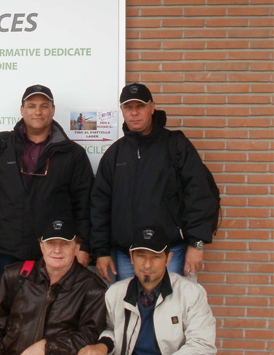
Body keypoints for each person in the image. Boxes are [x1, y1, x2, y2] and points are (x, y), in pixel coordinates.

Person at [0, 84, 94, 277]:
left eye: (44, 106)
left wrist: (84, 245)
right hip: (9, 247)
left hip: (56, 248)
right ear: (22, 110)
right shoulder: (1, 145)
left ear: (53, 110)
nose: (38, 111)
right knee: (11, 298)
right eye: (31, 106)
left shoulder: (73, 153)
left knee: (55, 298)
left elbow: (85, 203)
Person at [90, 83, 219, 282]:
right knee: (128, 303)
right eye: (128, 107)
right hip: (127, 257)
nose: (134, 113)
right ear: (122, 110)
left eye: (140, 106)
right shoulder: (114, 155)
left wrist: (197, 244)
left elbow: (199, 194)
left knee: (173, 303)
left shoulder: (176, 146)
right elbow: (100, 206)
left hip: (171, 254)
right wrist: (101, 251)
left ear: (152, 107)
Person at [77, 226, 217, 355]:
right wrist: (103, 346)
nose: (147, 265)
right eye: (141, 256)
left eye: (156, 257)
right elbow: (112, 330)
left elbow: (202, 344)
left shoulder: (191, 293)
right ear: (132, 258)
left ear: (168, 259)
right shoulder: (115, 293)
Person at [0, 218, 107, 355]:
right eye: (50, 243)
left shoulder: (92, 287)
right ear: (41, 247)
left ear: (77, 248)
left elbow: (89, 336)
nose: (57, 250)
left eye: (65, 244)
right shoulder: (16, 275)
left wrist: (47, 346)